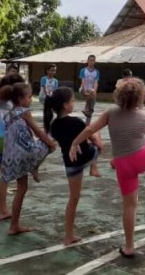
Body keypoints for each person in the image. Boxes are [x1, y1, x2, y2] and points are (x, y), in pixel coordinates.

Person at [69, 78, 145, 258]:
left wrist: (75, 143)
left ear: (119, 95)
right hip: (141, 159)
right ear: (140, 97)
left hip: (123, 164)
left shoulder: (110, 112)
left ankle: (129, 246)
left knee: (129, 206)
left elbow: (90, 129)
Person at [0, 83, 56, 235]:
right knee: (50, 142)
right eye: (29, 96)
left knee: (21, 188)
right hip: (24, 154)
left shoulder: (8, 113)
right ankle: (34, 166)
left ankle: (14, 225)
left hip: (12, 155)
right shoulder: (25, 112)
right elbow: (37, 131)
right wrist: (51, 144)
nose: (31, 99)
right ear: (20, 98)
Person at [50, 87, 103, 245]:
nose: (74, 103)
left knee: (73, 198)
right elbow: (92, 137)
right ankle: (94, 167)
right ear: (66, 105)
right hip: (86, 156)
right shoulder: (75, 121)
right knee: (98, 139)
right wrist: (95, 140)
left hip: (70, 163)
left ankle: (68, 235)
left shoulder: (54, 125)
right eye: (73, 100)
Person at [0, 74, 23, 221]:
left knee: (4, 177)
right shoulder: (14, 107)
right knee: (21, 178)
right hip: (12, 143)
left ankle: (2, 209)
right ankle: (12, 211)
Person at [78, 55, 100, 125]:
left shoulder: (97, 72)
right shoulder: (83, 70)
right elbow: (83, 81)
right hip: (83, 89)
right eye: (90, 60)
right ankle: (86, 108)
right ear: (87, 61)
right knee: (89, 93)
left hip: (91, 91)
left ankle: (87, 124)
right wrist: (85, 90)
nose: (92, 62)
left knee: (91, 109)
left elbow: (96, 83)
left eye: (93, 60)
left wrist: (94, 93)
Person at [39, 64, 59, 134]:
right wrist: (48, 94)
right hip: (44, 97)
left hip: (51, 97)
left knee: (50, 114)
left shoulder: (55, 81)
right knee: (47, 112)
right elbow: (44, 88)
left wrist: (53, 96)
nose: (53, 72)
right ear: (47, 71)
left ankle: (48, 127)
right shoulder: (44, 78)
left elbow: (55, 90)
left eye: (55, 71)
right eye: (52, 70)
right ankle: (46, 129)